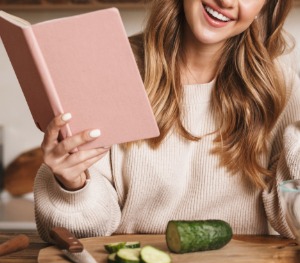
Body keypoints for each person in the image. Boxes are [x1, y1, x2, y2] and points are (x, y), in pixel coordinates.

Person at [34, 0, 300, 242]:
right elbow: (79, 236)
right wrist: (71, 186)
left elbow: (292, 221)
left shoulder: (280, 87)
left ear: (265, 7)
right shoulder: (109, 69)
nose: (227, 2)